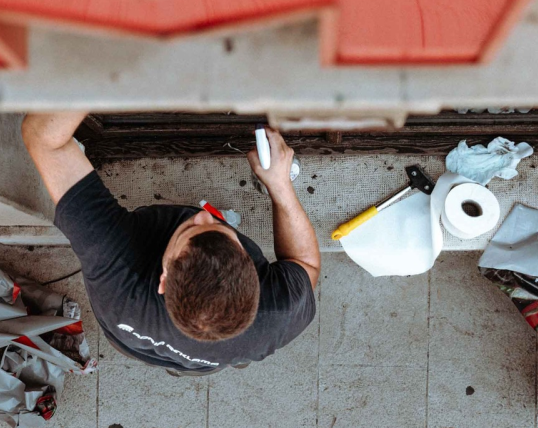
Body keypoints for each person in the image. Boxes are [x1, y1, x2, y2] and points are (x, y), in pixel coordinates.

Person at [21, 112, 319, 374]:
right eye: (217, 228)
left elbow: (43, 139)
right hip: (190, 353)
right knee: (197, 362)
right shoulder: (277, 316)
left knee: (184, 359)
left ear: (163, 281)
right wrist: (279, 184)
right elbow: (305, 264)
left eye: (189, 230)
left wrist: (108, 70)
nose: (204, 215)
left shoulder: (116, 267)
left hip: (128, 337)